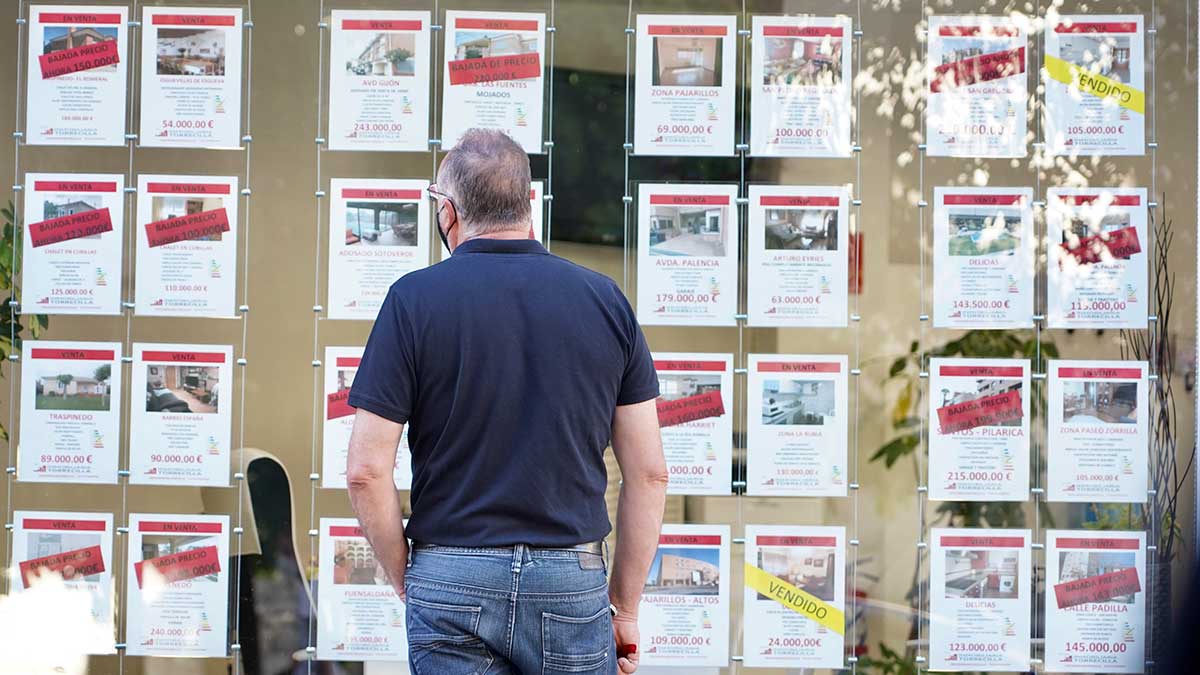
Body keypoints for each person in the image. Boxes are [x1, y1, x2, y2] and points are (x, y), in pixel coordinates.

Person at [345, 128, 667, 675]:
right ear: (528, 206)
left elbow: (366, 472)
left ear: (448, 211)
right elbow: (650, 474)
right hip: (569, 580)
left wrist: (409, 578)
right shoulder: (604, 301)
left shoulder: (412, 301)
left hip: (450, 573)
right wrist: (625, 608)